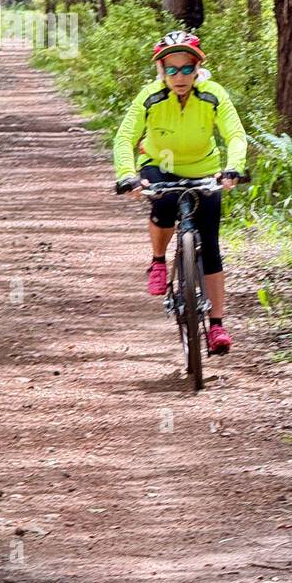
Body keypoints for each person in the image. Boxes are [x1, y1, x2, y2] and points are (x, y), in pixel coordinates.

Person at [113, 31, 247, 355]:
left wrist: (234, 168)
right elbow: (124, 138)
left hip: (204, 168)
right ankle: (158, 261)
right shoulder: (150, 97)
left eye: (186, 68)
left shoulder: (213, 94)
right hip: (160, 165)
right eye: (171, 69)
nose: (179, 76)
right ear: (161, 70)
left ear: (198, 67)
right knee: (165, 206)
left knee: (211, 245)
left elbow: (235, 135)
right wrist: (127, 176)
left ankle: (216, 326)